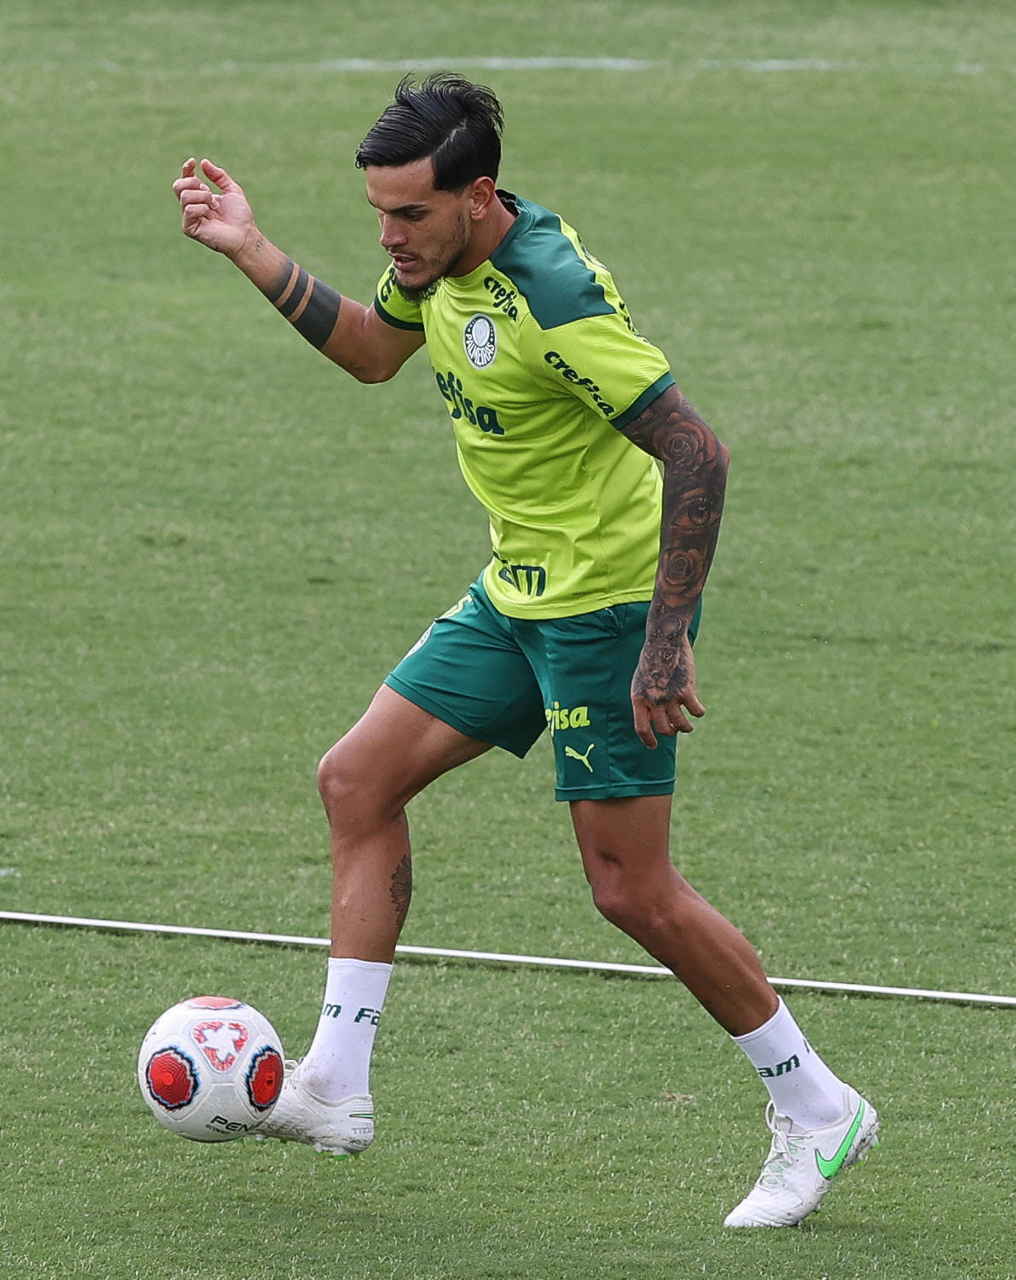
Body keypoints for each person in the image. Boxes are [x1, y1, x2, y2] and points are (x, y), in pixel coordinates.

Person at [172, 73, 878, 1228]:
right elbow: (371, 351)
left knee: (629, 888)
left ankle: (817, 1104)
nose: (389, 238)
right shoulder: (437, 262)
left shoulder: (546, 293)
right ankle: (335, 1085)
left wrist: (663, 643)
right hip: (518, 590)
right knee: (356, 780)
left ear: (477, 195)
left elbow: (696, 450)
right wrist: (252, 249)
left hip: (607, 611)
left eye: (408, 214)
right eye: (378, 214)